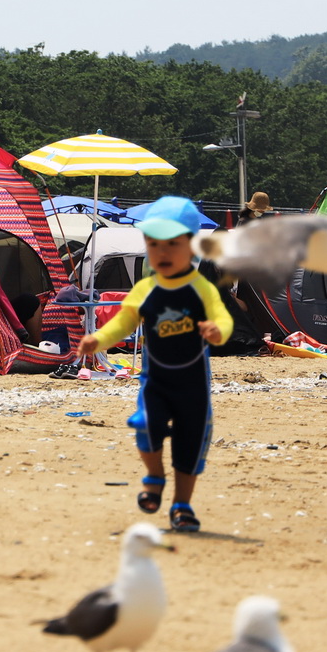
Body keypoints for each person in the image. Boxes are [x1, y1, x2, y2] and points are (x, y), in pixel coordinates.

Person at [76, 196, 231, 535]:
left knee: (191, 442)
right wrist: (98, 339)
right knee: (146, 425)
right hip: (156, 381)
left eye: (172, 243)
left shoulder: (201, 288)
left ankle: (182, 505)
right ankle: (154, 475)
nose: (162, 251)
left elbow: (223, 318)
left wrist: (217, 330)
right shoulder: (145, 289)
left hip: (193, 385)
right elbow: (124, 322)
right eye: (154, 243)